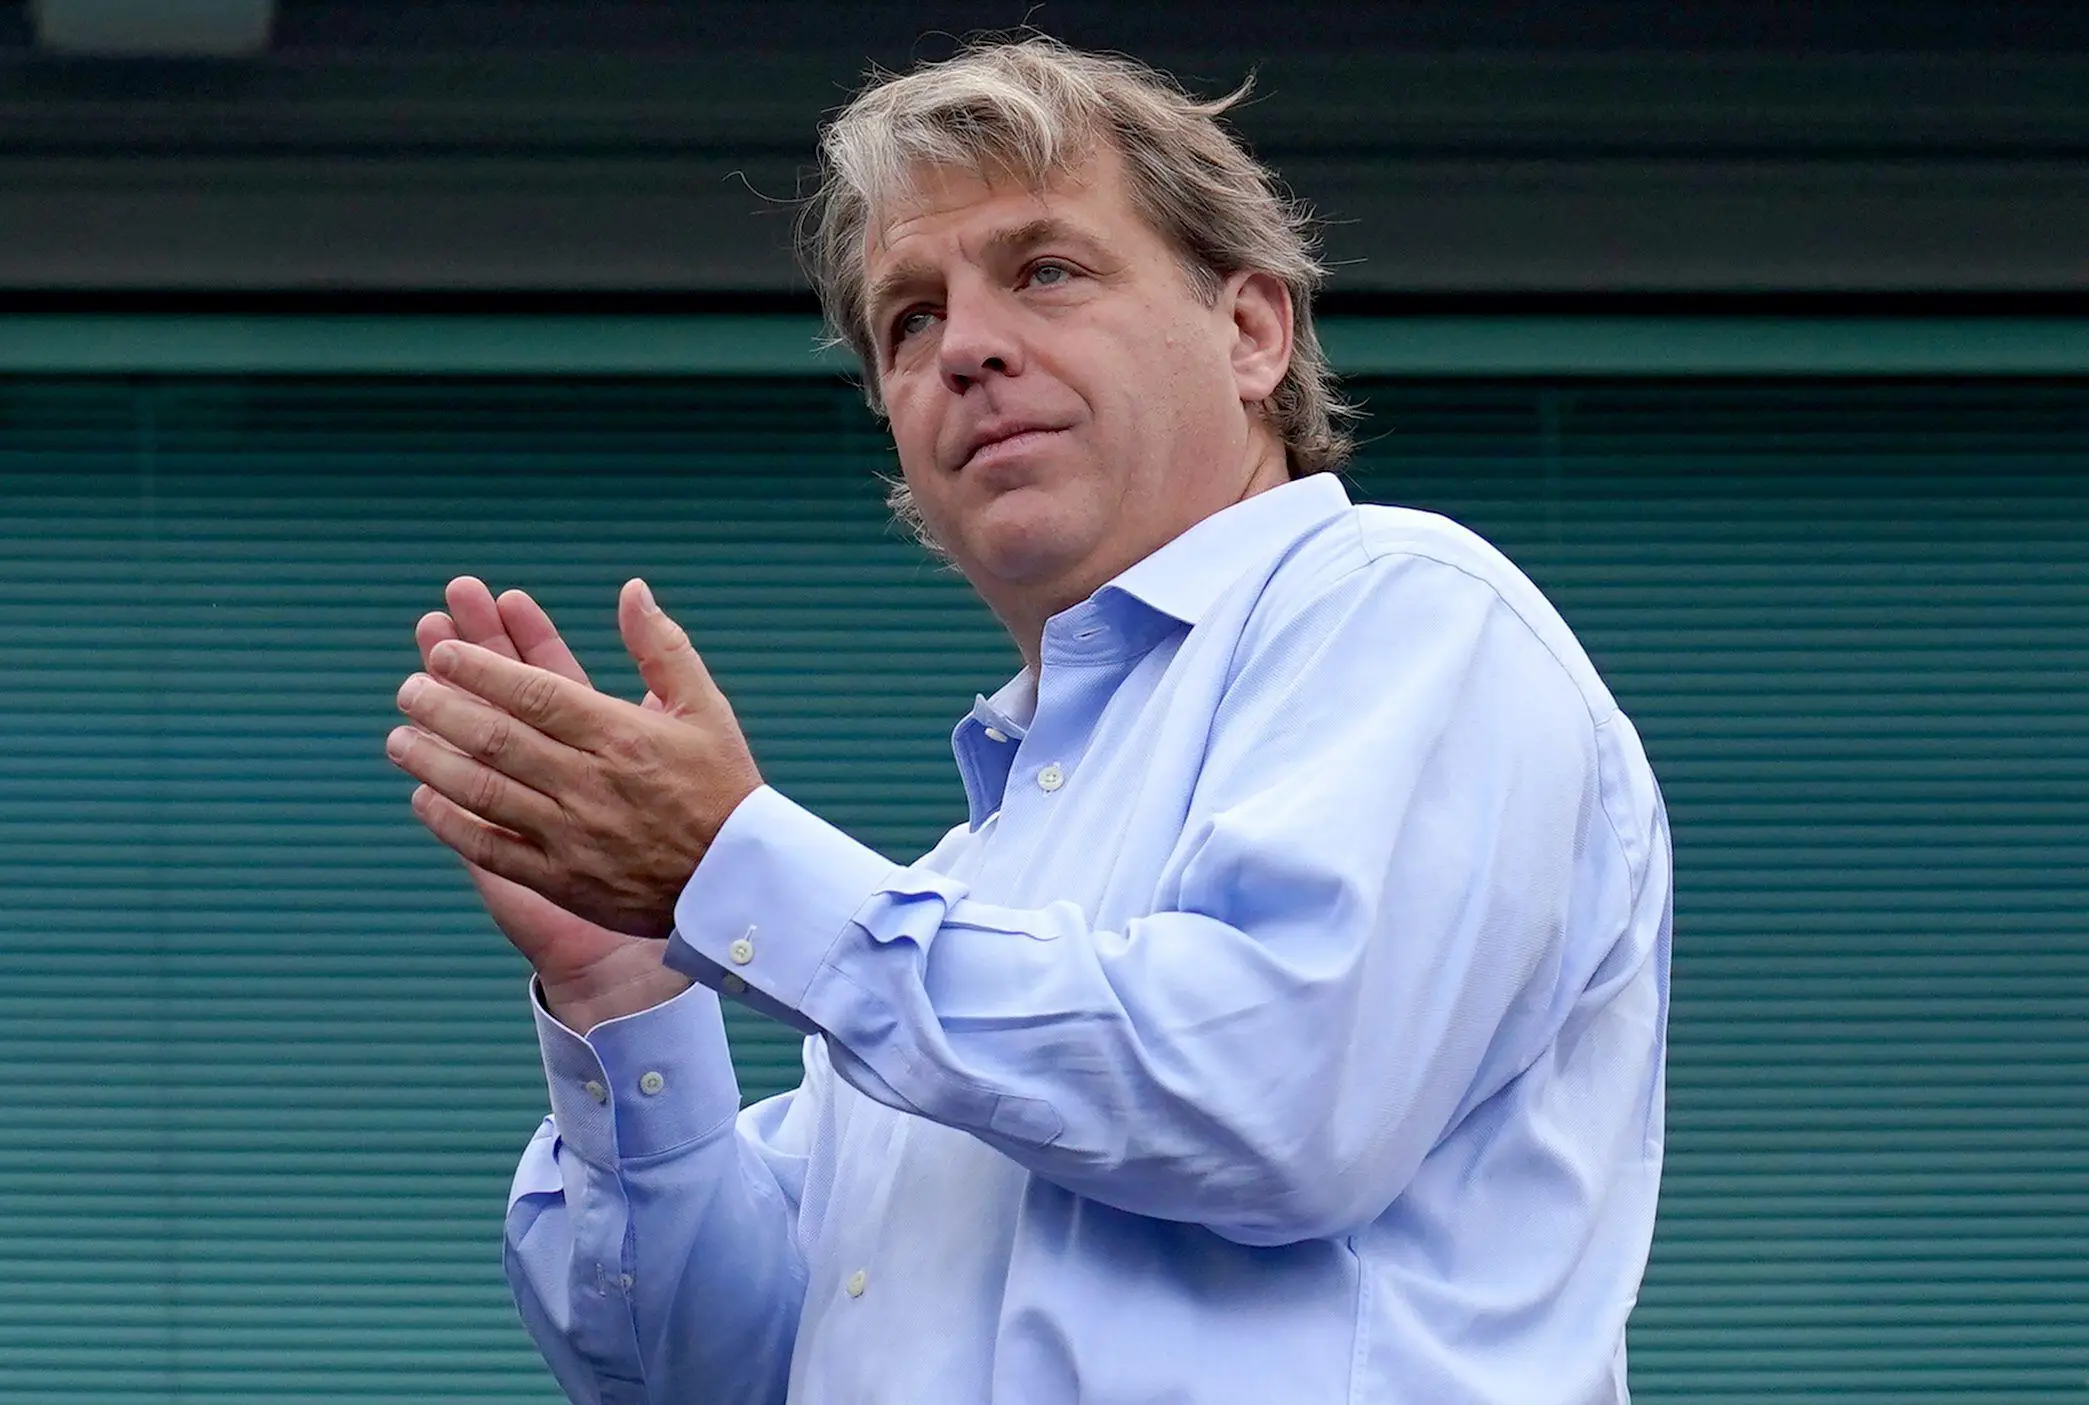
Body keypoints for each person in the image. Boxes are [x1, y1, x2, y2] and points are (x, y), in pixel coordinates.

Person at [385, 36, 1672, 1405]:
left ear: (1250, 330)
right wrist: (626, 988)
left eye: (1045, 270)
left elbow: (1283, 1100)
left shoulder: (1403, 610)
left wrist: (738, 870)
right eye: (909, 320)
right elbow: (707, 1376)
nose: (969, 350)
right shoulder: (954, 896)